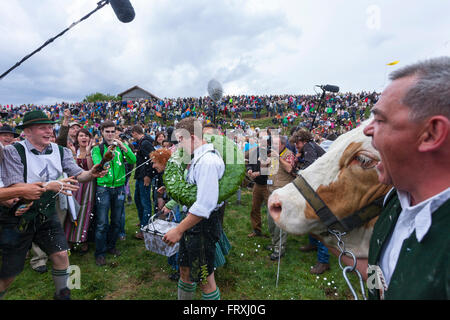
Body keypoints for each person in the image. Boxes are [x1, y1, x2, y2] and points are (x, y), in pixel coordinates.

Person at [363, 57, 450, 299]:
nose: (367, 129)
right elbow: (381, 274)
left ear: (431, 134)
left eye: (380, 120)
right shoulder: (395, 201)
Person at [0, 110, 107, 300]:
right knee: (10, 273)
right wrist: (50, 186)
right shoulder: (13, 151)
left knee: (61, 256)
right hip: (18, 216)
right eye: (43, 127)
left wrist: (91, 173)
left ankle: (62, 296)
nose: (49, 131)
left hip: (47, 214)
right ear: (27, 131)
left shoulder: (61, 151)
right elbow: (15, 186)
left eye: (50, 127)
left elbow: (77, 174)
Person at [162, 117, 224, 300]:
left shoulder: (208, 161)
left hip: (203, 226)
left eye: (180, 140)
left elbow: (205, 206)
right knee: (185, 271)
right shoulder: (197, 158)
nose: (178, 145)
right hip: (192, 223)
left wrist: (179, 229)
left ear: (192, 136)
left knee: (205, 280)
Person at [91, 120, 136, 266]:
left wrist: (123, 147)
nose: (110, 134)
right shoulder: (97, 148)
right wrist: (108, 152)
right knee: (102, 222)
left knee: (116, 221)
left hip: (119, 187)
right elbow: (99, 165)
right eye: (107, 131)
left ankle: (111, 246)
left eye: (112, 131)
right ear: (102, 132)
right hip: (103, 187)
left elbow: (133, 159)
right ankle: (100, 252)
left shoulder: (120, 147)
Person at [289, 129, 330, 274]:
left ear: (303, 141)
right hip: (316, 187)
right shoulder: (309, 147)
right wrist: (299, 159)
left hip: (322, 189)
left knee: (320, 223)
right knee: (311, 218)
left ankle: (324, 261)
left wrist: (298, 168)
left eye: (297, 143)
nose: (296, 146)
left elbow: (310, 168)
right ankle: (313, 244)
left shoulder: (309, 147)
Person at [64, 128, 96, 255]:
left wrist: (88, 153)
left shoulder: (93, 151)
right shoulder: (73, 151)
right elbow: (72, 168)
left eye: (86, 136)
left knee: (86, 211)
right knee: (72, 211)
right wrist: (72, 154)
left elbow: (90, 168)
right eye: (81, 136)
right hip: (75, 184)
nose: (84, 138)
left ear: (90, 138)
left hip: (88, 185)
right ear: (77, 138)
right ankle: (70, 239)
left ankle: (83, 240)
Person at [264, 135, 296, 261]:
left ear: (283, 144)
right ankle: (274, 242)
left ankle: (279, 248)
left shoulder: (289, 154)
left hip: (283, 194)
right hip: (272, 192)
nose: (273, 146)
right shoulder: (273, 154)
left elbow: (289, 168)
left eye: (276, 144)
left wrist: (277, 157)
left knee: (280, 223)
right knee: (271, 221)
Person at [131, 124, 156, 240]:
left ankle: (145, 228)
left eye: (132, 134)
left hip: (144, 177)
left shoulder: (145, 143)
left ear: (135, 133)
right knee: (137, 199)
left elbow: (152, 159)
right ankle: (143, 221)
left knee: (145, 202)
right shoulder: (143, 142)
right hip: (140, 175)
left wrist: (148, 175)